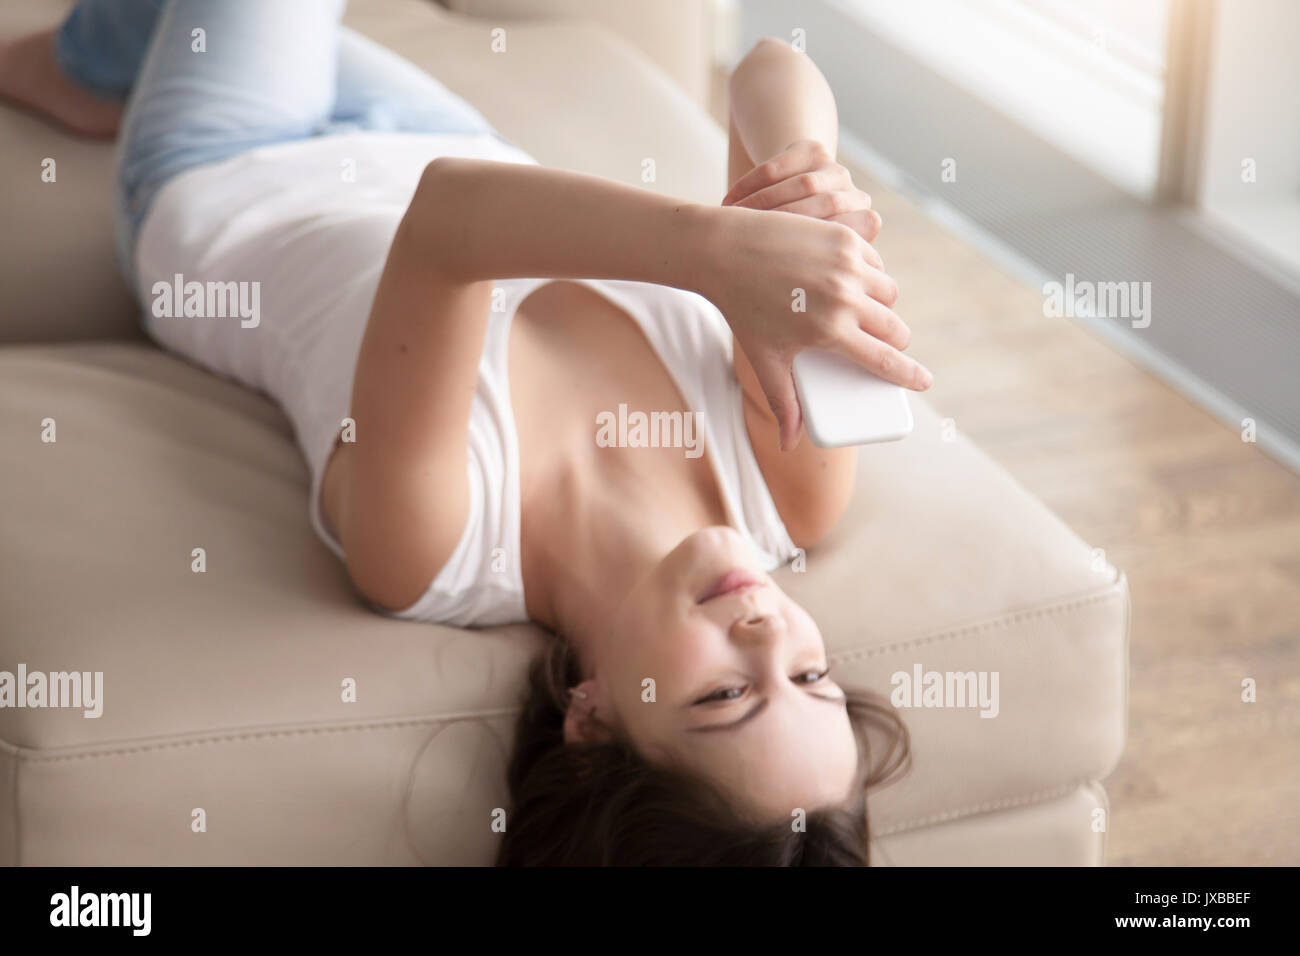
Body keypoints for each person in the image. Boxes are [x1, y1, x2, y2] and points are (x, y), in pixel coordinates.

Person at [1, 0, 924, 865]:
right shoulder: (792, 487)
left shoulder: (434, 550)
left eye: (724, 695)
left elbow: (449, 221)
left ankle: (101, 65)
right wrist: (809, 195)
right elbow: (770, 66)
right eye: (811, 676)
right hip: (432, 127)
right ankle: (91, 61)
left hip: (232, 175)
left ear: (594, 724)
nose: (766, 631)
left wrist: (722, 253)